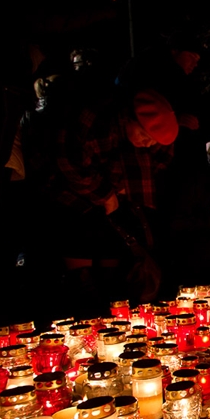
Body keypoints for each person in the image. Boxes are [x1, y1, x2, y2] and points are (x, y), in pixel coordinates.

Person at [53, 88, 178, 311]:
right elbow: (70, 164)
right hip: (71, 198)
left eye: (153, 141)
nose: (147, 144)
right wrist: (106, 194)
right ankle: (85, 311)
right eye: (144, 136)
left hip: (109, 203)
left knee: (111, 250)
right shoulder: (99, 123)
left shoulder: (129, 141)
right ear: (131, 118)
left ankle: (110, 310)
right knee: (82, 244)